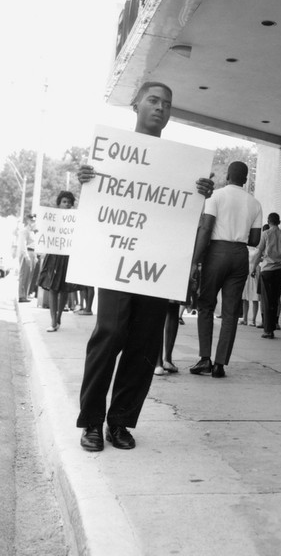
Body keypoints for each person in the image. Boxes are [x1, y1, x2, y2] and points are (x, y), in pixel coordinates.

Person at [76, 81, 214, 451]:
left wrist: (198, 194)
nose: (160, 108)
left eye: (167, 104)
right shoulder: (111, 155)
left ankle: (119, 422)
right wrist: (86, 181)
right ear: (135, 105)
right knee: (109, 333)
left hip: (157, 268)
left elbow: (179, 216)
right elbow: (97, 208)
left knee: (143, 344)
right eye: (153, 100)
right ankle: (91, 421)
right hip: (116, 263)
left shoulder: (183, 167)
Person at [189, 161, 263, 378]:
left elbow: (206, 228)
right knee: (231, 312)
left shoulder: (216, 196)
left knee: (206, 305)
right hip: (239, 255)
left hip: (216, 253)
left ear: (228, 175)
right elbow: (256, 239)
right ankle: (220, 364)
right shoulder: (255, 203)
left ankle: (204, 359)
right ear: (246, 179)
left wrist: (195, 260)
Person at [251, 212, 281, 339]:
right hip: (279, 270)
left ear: (269, 221)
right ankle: (273, 325)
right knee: (275, 299)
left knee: (266, 300)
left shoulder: (266, 234)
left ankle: (268, 330)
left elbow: (259, 252)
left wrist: (253, 267)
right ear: (278, 222)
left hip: (267, 270)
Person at [38, 191, 78, 332]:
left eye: (69, 202)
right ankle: (53, 321)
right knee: (53, 288)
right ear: (59, 203)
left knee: (64, 289)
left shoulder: (75, 219)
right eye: (64, 202)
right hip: (53, 256)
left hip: (67, 257)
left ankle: (59, 316)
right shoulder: (51, 218)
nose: (66, 204)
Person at [17, 213, 37, 302]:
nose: (32, 221)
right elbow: (23, 244)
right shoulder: (24, 231)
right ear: (27, 220)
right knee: (24, 275)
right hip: (27, 252)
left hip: (33, 252)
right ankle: (21, 296)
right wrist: (26, 256)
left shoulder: (33, 231)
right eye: (31, 220)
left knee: (30, 275)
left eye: (34, 220)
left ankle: (26, 294)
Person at [239, 246, 260, 326]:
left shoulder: (258, 248)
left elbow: (261, 257)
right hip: (245, 270)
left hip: (254, 270)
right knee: (244, 297)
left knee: (255, 297)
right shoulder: (245, 248)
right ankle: (245, 319)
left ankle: (253, 320)